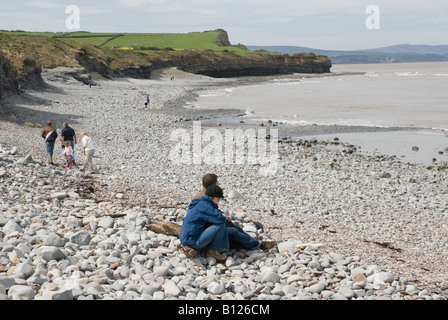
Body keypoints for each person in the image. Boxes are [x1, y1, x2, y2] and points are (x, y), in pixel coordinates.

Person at [180, 185, 276, 261]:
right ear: (212, 197)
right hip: (192, 241)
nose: (218, 201)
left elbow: (214, 213)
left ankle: (258, 244)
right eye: (218, 199)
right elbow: (219, 219)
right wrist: (225, 218)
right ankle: (213, 251)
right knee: (220, 226)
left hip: (191, 236)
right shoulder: (204, 207)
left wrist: (224, 217)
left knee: (233, 231)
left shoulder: (202, 202)